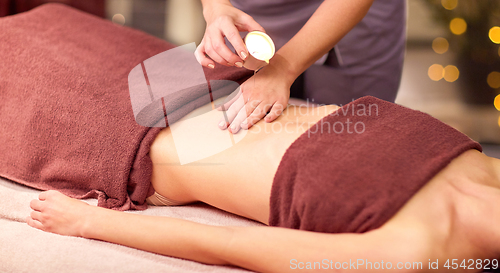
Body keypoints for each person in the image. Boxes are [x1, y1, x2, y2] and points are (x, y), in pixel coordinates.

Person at [26, 97, 500, 273]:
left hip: (140, 141)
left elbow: (232, 245)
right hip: (213, 86)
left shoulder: (419, 252)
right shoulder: (487, 168)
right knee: (54, 24)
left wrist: (88, 222)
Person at [186, 0, 407, 134]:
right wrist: (216, 7)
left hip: (356, 12)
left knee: (349, 135)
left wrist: (282, 68)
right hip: (256, 1)